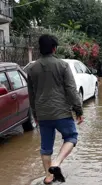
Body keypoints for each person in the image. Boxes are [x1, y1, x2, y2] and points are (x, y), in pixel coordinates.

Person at [27, 34, 83, 184]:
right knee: (71, 137)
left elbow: (31, 95)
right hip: (61, 112)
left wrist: (35, 114)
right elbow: (71, 90)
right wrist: (79, 110)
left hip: (42, 114)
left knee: (45, 147)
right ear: (54, 48)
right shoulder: (63, 65)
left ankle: (48, 177)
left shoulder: (31, 69)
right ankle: (56, 164)